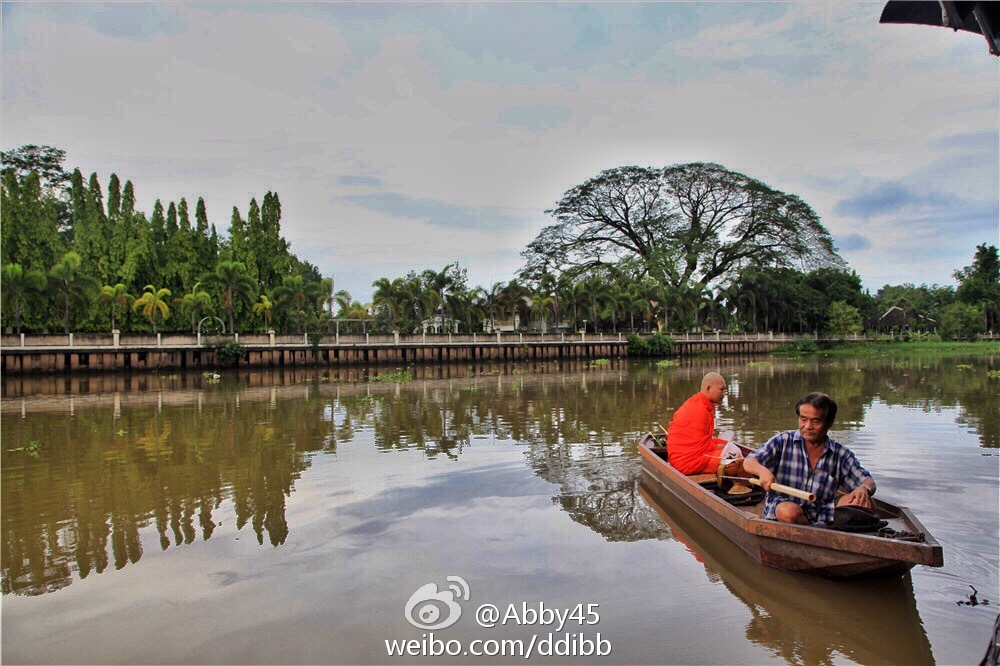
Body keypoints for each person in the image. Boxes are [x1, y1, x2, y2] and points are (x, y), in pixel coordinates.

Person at [743, 392, 876, 525]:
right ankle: (820, 532)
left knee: (865, 503)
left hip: (823, 510)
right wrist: (763, 472)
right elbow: (749, 462)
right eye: (803, 419)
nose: (808, 427)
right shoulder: (783, 441)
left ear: (829, 423)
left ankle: (818, 530)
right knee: (789, 512)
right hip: (784, 508)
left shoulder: (840, 453)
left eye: (816, 421)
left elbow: (868, 481)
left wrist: (864, 488)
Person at [666, 372, 733, 475]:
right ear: (708, 388)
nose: (724, 393)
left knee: (726, 445)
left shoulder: (699, 403)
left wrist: (719, 445)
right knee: (734, 456)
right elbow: (700, 449)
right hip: (687, 464)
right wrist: (717, 447)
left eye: (725, 390)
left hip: (682, 458)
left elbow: (700, 441)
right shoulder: (700, 410)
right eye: (721, 389)